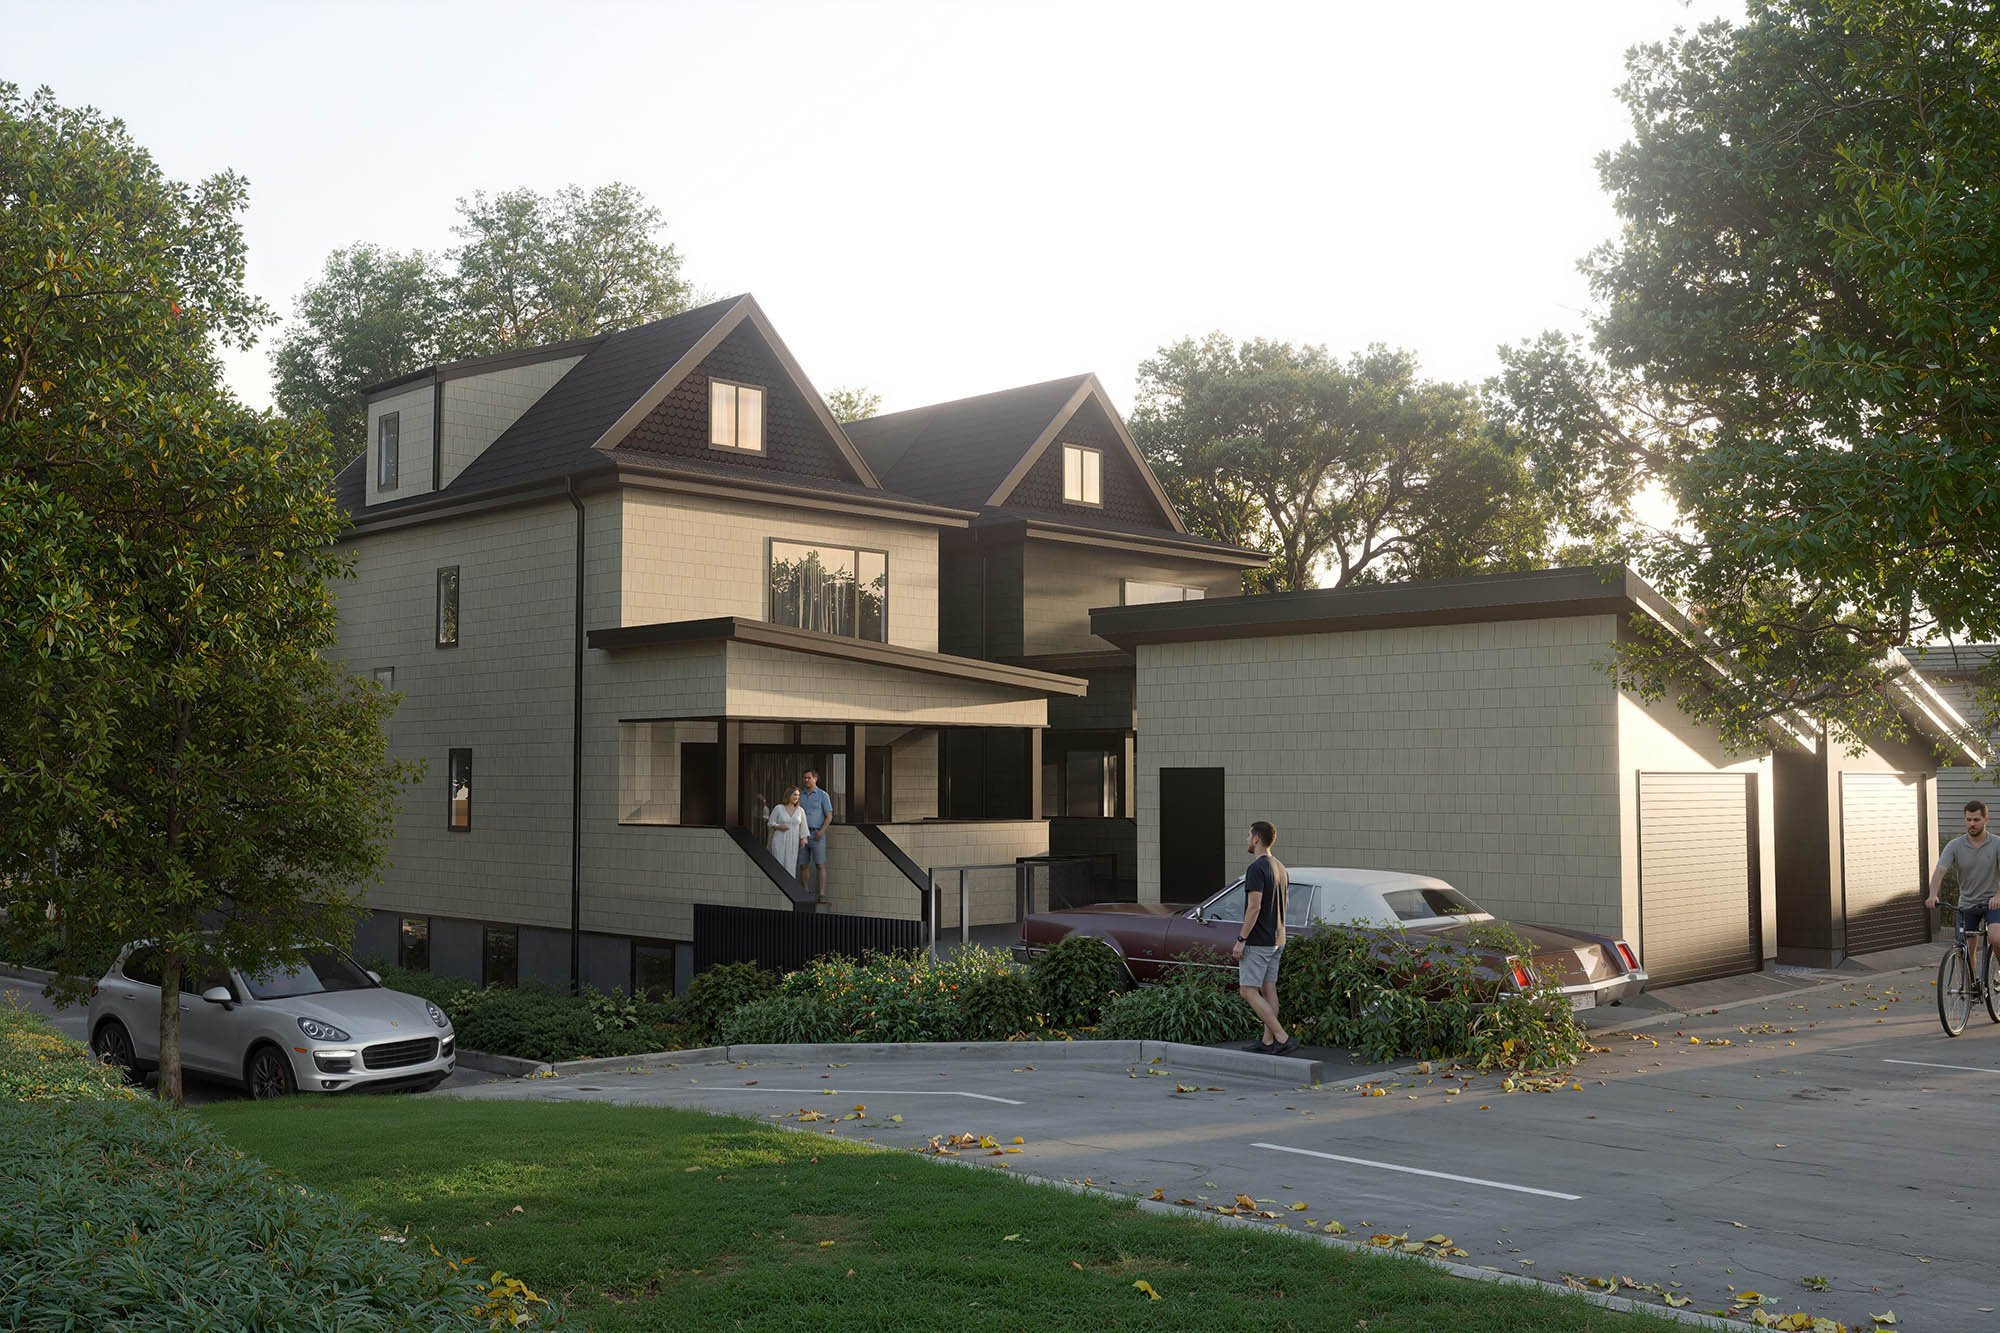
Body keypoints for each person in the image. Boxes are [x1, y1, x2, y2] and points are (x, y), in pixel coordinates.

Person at [1231, 819, 1295, 1055]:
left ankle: (1282, 1036)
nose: (1247, 839)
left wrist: (1241, 939)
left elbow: (1254, 907)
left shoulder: (1257, 868)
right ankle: (1268, 1041)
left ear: (1257, 838)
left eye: (1248, 835)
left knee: (1247, 990)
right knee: (1269, 990)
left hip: (1258, 941)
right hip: (1278, 938)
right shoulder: (1279, 867)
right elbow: (1285, 903)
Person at [1926, 799, 2000, 991]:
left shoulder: (1997, 844)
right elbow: (1940, 870)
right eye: (1968, 819)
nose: (1972, 824)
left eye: (1976, 819)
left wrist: (1998, 896)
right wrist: (1933, 894)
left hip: (1993, 902)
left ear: (1986, 819)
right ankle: (1972, 985)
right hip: (1967, 903)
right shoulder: (1955, 845)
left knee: (1996, 938)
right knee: (1967, 947)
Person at [798, 768, 834, 899]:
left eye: (808, 778)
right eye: (804, 778)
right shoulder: (799, 795)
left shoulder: (823, 795)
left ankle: (822, 892)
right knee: (803, 864)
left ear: (815, 779)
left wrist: (822, 831)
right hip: (802, 834)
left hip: (817, 833)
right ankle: (805, 891)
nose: (806, 780)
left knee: (820, 864)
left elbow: (829, 816)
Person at [767, 787, 808, 880]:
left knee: (791, 866)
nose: (797, 797)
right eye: (794, 794)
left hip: (793, 842)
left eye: (798, 795)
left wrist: (803, 839)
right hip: (779, 840)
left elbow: (804, 827)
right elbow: (770, 823)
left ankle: (788, 890)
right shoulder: (778, 808)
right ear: (788, 795)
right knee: (778, 864)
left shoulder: (800, 810)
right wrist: (779, 826)